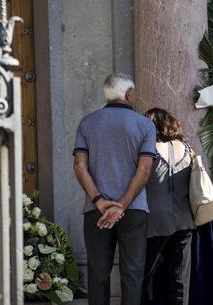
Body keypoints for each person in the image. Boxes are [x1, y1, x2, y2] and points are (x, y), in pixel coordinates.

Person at [73, 73, 157, 305]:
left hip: (96, 210)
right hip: (134, 209)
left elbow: (79, 166)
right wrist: (121, 205)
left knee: (98, 274)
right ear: (129, 95)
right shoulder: (145, 125)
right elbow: (144, 171)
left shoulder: (87, 122)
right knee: (132, 274)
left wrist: (100, 201)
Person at [141, 108, 195, 305]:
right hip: (184, 219)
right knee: (180, 279)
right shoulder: (188, 148)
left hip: (153, 220)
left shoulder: (148, 150)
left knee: (142, 276)